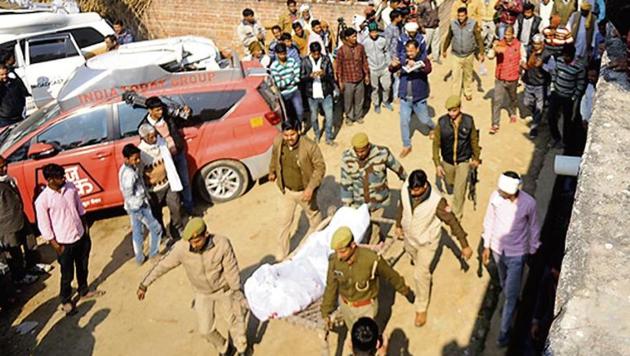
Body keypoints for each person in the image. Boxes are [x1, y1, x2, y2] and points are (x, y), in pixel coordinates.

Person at [137, 218, 248, 356]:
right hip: (202, 293)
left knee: (234, 321)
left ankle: (241, 348)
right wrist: (144, 284)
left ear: (206, 234)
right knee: (205, 330)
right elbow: (163, 265)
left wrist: (237, 292)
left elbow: (231, 269)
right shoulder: (181, 248)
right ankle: (224, 348)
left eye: (197, 241)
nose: (194, 245)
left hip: (224, 289)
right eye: (191, 242)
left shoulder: (222, 244)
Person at [394, 169, 472, 326]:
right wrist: (398, 225)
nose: (414, 193)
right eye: (412, 189)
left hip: (426, 242)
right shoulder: (406, 188)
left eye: (417, 190)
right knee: (412, 256)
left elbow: (452, 222)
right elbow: (402, 206)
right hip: (410, 238)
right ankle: (416, 260)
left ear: (424, 186)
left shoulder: (437, 202)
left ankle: (421, 307)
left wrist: (464, 245)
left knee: (420, 274)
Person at [481, 171, 541, 347]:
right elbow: (489, 220)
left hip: (517, 254)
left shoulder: (528, 203)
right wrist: (486, 245)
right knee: (504, 282)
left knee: (511, 297)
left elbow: (533, 226)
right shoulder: (496, 198)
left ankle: (503, 333)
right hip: (498, 251)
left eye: (503, 191)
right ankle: (510, 299)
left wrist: (532, 248)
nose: (500, 192)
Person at [35, 164, 104, 316]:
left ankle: (83, 290)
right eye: (60, 177)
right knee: (67, 274)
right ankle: (66, 300)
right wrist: (56, 246)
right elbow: (44, 226)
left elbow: (80, 208)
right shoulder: (42, 201)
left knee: (83, 266)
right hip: (63, 242)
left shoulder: (71, 187)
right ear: (50, 180)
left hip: (80, 236)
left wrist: (85, 229)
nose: (63, 179)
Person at [321, 227, 415, 333]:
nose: (339, 256)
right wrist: (326, 313)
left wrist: (405, 291)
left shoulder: (371, 260)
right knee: (355, 332)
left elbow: (391, 276)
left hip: (366, 308)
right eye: (336, 252)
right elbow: (331, 287)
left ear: (352, 245)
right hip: (346, 307)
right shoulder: (334, 262)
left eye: (342, 252)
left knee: (368, 335)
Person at [268, 120, 325, 259]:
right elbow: (274, 157)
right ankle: (281, 256)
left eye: (292, 134)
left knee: (314, 219)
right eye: (286, 135)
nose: (289, 138)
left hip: (304, 191)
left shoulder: (309, 146)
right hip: (286, 191)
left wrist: (310, 188)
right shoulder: (278, 142)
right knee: (283, 223)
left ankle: (317, 246)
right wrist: (272, 171)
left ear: (298, 131)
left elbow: (320, 168)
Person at [340, 133, 407, 244]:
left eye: (363, 151)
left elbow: (396, 166)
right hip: (358, 203)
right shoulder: (347, 158)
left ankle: (373, 251)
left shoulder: (382, 153)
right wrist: (347, 206)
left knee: (374, 228)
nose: (360, 154)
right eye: (358, 151)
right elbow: (346, 182)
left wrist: (406, 179)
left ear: (368, 147)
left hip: (377, 201)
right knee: (362, 228)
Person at [139, 96, 194, 213]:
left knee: (185, 181)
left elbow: (185, 119)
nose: (161, 112)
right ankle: (178, 210)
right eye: (157, 110)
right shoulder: (145, 127)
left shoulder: (168, 117)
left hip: (178, 153)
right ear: (150, 111)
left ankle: (189, 208)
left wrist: (187, 112)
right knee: (172, 186)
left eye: (161, 109)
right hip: (164, 160)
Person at [433, 96, 481, 220]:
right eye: (449, 111)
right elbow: (436, 144)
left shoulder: (469, 121)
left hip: (463, 160)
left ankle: (456, 215)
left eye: (454, 110)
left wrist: (476, 158)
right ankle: (455, 182)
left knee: (459, 190)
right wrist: (438, 164)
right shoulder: (442, 122)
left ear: (459, 108)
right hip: (448, 160)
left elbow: (474, 140)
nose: (451, 113)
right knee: (450, 182)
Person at [137, 124, 186, 242]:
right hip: (153, 190)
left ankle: (176, 232)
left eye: (155, 135)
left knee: (176, 208)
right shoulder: (141, 153)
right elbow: (140, 175)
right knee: (156, 215)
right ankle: (163, 235)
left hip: (168, 184)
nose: (154, 139)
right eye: (151, 137)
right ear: (144, 138)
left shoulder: (161, 143)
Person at [118, 144, 163, 265]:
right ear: (127, 159)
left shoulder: (126, 169)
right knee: (156, 228)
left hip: (133, 206)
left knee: (137, 231)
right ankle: (154, 254)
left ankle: (139, 257)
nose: (138, 161)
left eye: (138, 158)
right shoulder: (130, 174)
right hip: (138, 206)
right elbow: (129, 195)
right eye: (135, 159)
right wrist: (140, 207)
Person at [391, 39, 435, 158]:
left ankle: (433, 128)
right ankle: (406, 145)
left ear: (417, 49)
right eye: (407, 51)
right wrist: (393, 65)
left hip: (419, 98)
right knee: (404, 121)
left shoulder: (423, 59)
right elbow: (392, 69)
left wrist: (417, 66)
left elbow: (428, 69)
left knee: (425, 119)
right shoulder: (403, 59)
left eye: (411, 51)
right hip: (405, 98)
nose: (409, 53)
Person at [0, 155, 38, 285]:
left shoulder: (8, 179)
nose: (5, 168)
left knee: (30, 241)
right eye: (1, 167)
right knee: (14, 252)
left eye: (5, 165)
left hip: (20, 216)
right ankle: (19, 277)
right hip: (6, 225)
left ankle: (32, 265)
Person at [545, 44, 586, 149]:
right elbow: (555, 74)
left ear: (572, 55)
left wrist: (574, 96)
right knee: (551, 117)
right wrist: (553, 87)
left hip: (568, 98)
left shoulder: (579, 66)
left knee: (567, 121)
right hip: (557, 94)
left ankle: (566, 141)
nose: (566, 58)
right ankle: (556, 138)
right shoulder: (559, 61)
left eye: (568, 56)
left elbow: (580, 83)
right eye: (565, 56)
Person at [443, 7, 485, 101]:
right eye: (459, 16)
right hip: (456, 55)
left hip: (469, 55)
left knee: (468, 75)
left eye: (462, 16)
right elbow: (449, 37)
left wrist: (481, 52)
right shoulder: (453, 24)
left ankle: (467, 92)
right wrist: (444, 49)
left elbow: (479, 39)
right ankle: (455, 96)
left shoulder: (473, 24)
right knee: (455, 76)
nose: (460, 18)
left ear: (466, 15)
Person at [301, 42, 336, 145]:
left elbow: (331, 75)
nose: (316, 55)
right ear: (311, 52)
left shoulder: (326, 59)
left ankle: (328, 137)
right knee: (314, 117)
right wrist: (309, 76)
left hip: (325, 92)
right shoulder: (305, 61)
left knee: (329, 117)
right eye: (314, 53)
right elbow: (302, 77)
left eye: (318, 53)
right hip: (312, 95)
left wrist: (324, 74)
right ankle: (317, 134)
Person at [335, 28, 370, 126]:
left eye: (356, 36)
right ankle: (349, 118)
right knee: (348, 101)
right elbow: (339, 67)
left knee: (359, 99)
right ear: (347, 38)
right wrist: (340, 81)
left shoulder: (360, 47)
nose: (355, 38)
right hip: (347, 80)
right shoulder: (341, 51)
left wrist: (366, 75)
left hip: (359, 78)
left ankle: (358, 116)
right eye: (353, 36)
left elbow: (364, 62)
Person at [490, 25, 522, 134]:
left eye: (509, 34)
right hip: (500, 77)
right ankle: (495, 123)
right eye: (505, 34)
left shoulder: (518, 45)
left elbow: (523, 59)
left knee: (512, 98)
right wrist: (494, 49)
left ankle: (513, 112)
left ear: (513, 34)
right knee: (497, 101)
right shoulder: (500, 44)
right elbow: (490, 56)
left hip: (513, 78)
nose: (507, 36)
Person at [522, 34, 553, 138]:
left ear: (542, 43)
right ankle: (536, 115)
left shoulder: (548, 55)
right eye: (534, 43)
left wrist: (542, 65)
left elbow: (552, 69)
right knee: (526, 103)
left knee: (539, 107)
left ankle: (534, 128)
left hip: (540, 84)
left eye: (538, 44)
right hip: (529, 81)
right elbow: (523, 59)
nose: (536, 46)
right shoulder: (529, 51)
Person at [270, 43, 304, 130]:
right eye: (281, 54)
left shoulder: (292, 61)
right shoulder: (274, 67)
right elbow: (279, 84)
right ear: (277, 54)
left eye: (284, 53)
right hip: (284, 94)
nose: (283, 55)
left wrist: (286, 80)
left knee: (300, 111)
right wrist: (291, 78)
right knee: (288, 115)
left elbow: (297, 78)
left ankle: (298, 127)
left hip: (295, 91)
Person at [362, 22, 392, 114]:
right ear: (369, 32)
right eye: (372, 32)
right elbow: (364, 57)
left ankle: (385, 101)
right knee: (375, 88)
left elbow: (386, 52)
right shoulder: (365, 42)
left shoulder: (382, 40)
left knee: (387, 86)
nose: (374, 34)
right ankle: (376, 104)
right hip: (372, 69)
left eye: (375, 32)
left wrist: (388, 63)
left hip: (383, 68)